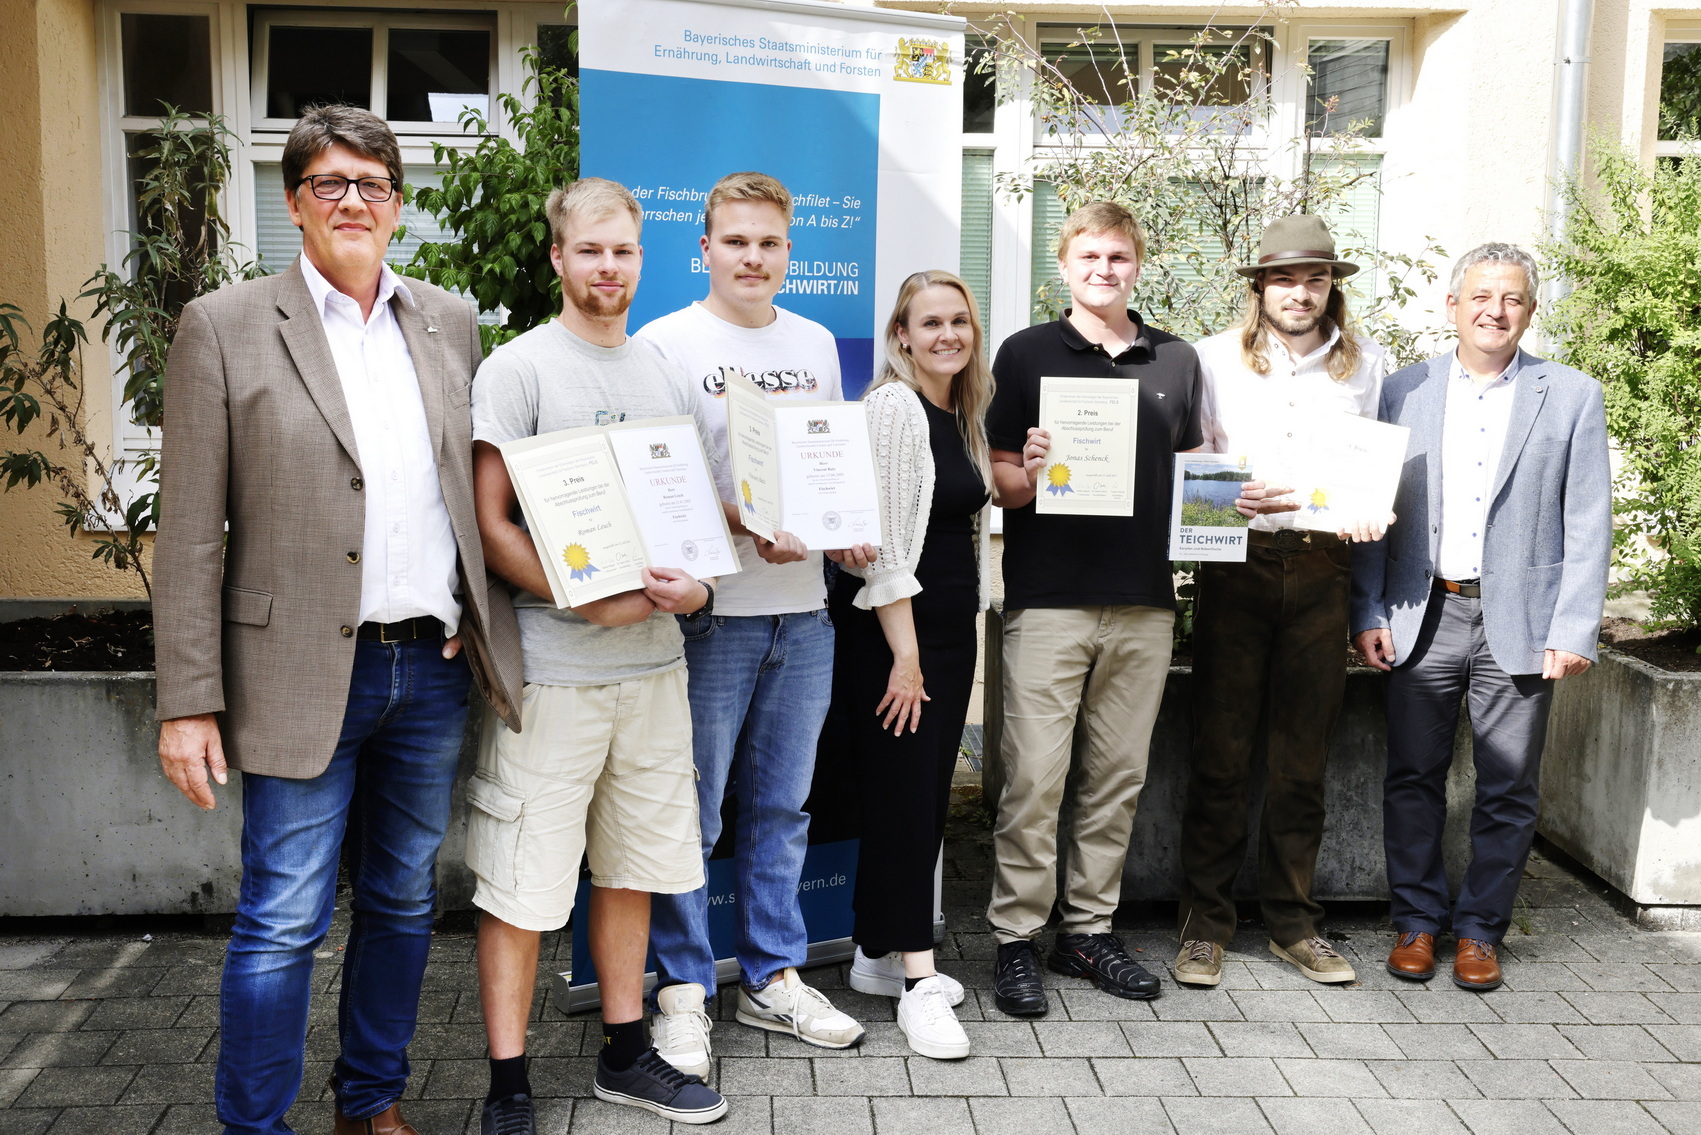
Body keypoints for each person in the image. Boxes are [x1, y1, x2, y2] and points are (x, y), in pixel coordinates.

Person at [152, 105, 523, 1135]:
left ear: (397, 206)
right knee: (282, 919)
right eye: (331, 183)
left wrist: (471, 602)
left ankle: (368, 1106)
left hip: (430, 669)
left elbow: (463, 488)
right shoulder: (223, 325)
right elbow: (188, 532)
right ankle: (256, 1125)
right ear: (295, 202)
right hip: (295, 675)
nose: (353, 200)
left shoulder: (448, 320)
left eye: (372, 184)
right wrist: (187, 702)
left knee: (403, 902)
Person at [466, 177, 726, 1127]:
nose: (607, 267)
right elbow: (489, 523)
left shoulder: (662, 371)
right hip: (555, 676)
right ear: (558, 257)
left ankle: (624, 1052)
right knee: (521, 885)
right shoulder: (519, 369)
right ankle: (508, 1083)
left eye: (622, 251)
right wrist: (581, 594)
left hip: (653, 670)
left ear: (640, 259)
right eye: (589, 250)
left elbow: (689, 517)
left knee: (631, 868)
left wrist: (699, 589)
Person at [634, 171, 868, 1073]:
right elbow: (661, 480)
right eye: (735, 240)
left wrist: (844, 529)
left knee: (781, 809)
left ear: (788, 252)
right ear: (704, 248)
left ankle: (772, 977)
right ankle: (683, 991)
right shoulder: (664, 342)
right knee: (691, 818)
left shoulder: (813, 343)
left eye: (768, 242)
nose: (752, 257)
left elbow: (821, 467)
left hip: (803, 615)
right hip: (710, 620)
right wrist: (745, 519)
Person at [1352, 243, 1610, 992]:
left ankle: (1479, 932)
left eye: (1512, 299)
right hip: (1421, 612)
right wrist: (1367, 607)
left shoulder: (1570, 395)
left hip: (1521, 622)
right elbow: (1374, 508)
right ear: (1452, 306)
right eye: (1480, 297)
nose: (1495, 311)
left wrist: (1572, 627)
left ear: (1529, 310)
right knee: (1412, 777)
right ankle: (1416, 921)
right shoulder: (1403, 389)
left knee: (1508, 785)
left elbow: (1588, 520)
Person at [984, 201, 1204, 1015]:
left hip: (1144, 601)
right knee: (1033, 779)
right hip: (1048, 601)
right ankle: (1015, 936)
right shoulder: (1025, 352)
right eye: (1089, 257)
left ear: (1136, 265)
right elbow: (1000, 482)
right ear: (1064, 265)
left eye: (1117, 257)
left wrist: (1228, 496)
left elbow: (1194, 477)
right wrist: (1030, 466)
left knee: (1115, 779)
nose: (1103, 270)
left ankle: (1086, 929)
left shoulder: (1175, 359)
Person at [1171, 215, 1390, 988]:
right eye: (1285, 279)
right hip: (1237, 564)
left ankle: (1293, 923)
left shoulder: (1366, 365)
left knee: (1302, 760)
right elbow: (1190, 464)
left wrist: (1368, 512)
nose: (1300, 292)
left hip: (1324, 567)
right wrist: (1223, 498)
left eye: (1315, 278)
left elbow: (1373, 474)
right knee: (1220, 752)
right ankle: (1204, 925)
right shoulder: (1210, 358)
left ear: (1332, 286)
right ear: (1260, 286)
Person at [827, 270, 992, 1058]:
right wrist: (904, 654)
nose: (947, 334)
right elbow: (885, 541)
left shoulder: (962, 410)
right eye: (930, 323)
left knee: (921, 794)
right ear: (901, 335)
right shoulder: (894, 406)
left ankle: (875, 956)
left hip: (949, 632)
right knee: (902, 795)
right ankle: (919, 980)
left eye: (958, 320)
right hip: (898, 633)